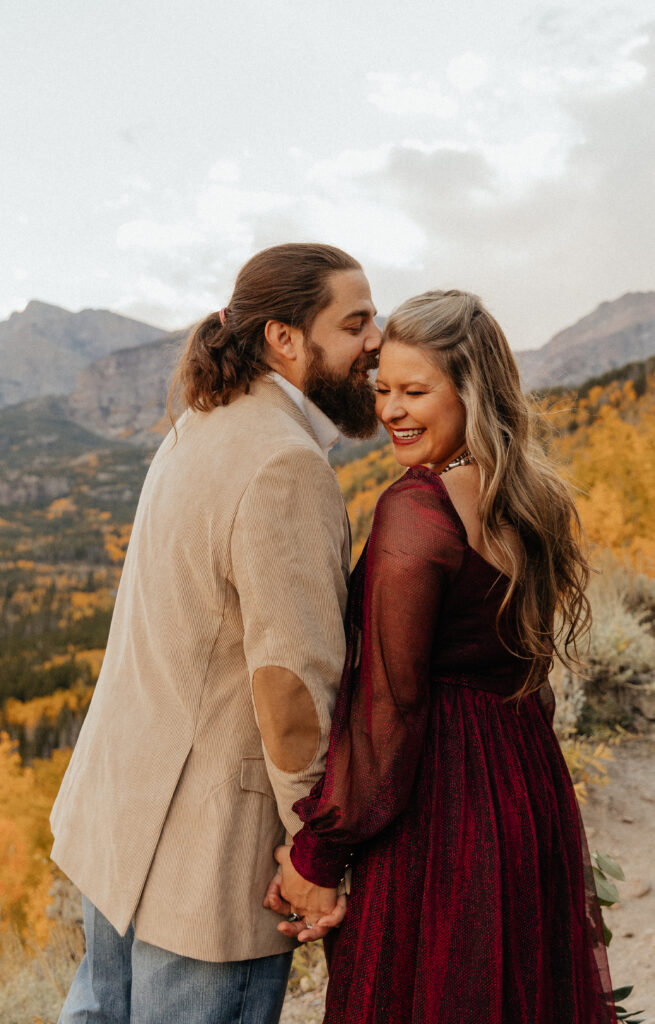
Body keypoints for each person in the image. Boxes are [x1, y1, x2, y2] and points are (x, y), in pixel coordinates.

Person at [50, 242, 381, 1024]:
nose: (375, 340)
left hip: (121, 821)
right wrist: (313, 850)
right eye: (356, 322)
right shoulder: (285, 465)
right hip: (206, 857)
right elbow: (292, 687)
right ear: (284, 338)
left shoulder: (198, 426)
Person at [272, 290, 617, 1023]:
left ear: (471, 393)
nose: (391, 410)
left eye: (415, 391)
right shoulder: (525, 495)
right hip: (524, 784)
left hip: (443, 803)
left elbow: (391, 706)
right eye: (383, 388)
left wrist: (319, 855)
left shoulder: (416, 510)